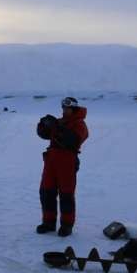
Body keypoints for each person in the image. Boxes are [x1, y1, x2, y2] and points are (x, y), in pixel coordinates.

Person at [36, 96, 88, 237]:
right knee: (46, 192)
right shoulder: (60, 122)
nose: (65, 111)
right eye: (63, 108)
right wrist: (42, 126)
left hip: (67, 162)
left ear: (74, 109)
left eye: (68, 108)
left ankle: (67, 225)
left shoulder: (80, 125)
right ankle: (48, 222)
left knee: (66, 194)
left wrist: (56, 127)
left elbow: (73, 140)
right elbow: (44, 134)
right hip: (51, 161)